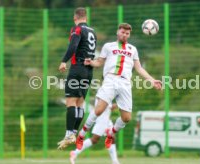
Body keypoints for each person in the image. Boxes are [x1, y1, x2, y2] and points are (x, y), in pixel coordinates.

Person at [75, 23, 162, 150]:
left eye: (127, 33)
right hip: (110, 79)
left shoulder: (133, 49)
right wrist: (91, 62)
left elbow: (138, 68)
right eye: (123, 32)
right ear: (118, 32)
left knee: (126, 118)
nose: (125, 35)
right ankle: (81, 135)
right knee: (98, 110)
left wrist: (152, 80)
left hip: (125, 83)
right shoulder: (108, 46)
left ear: (129, 35)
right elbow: (99, 62)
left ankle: (111, 133)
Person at [57, 7, 97, 149]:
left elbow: (73, 45)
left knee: (71, 102)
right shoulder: (93, 31)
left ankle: (69, 134)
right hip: (88, 71)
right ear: (85, 17)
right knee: (80, 103)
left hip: (77, 69)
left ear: (75, 18)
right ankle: (73, 132)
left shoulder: (77, 29)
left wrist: (63, 61)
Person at [70, 98, 120, 164]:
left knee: (112, 138)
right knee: (94, 140)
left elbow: (109, 109)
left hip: (107, 120)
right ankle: (74, 153)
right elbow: (109, 107)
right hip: (101, 120)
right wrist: (121, 104)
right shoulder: (103, 93)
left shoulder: (110, 93)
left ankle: (115, 161)